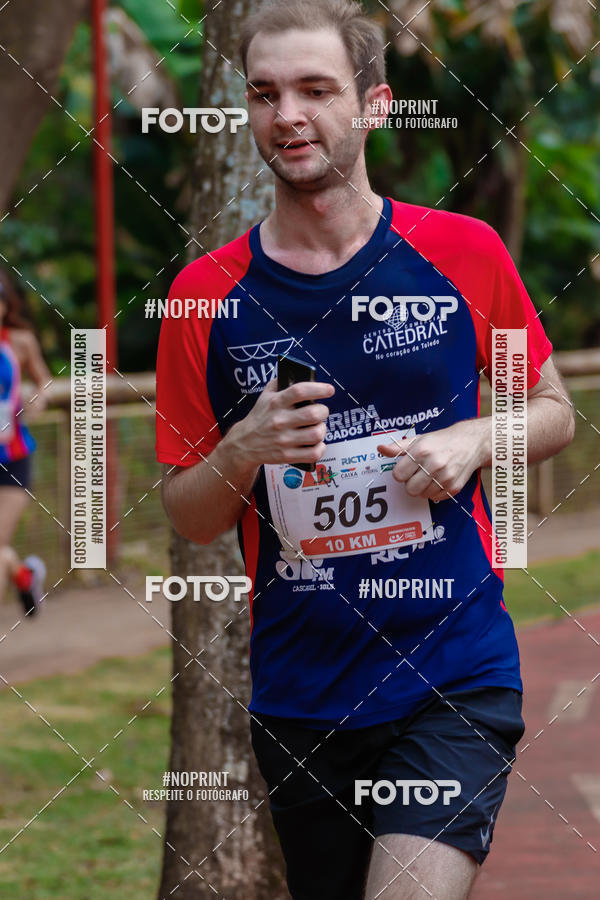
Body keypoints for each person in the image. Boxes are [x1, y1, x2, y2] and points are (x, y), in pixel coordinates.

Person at [155, 1, 575, 896]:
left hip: (452, 669)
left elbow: (552, 411)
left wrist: (474, 437)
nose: (288, 115)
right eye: (265, 94)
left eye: (316, 89)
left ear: (375, 104)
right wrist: (242, 452)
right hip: (302, 694)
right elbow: (188, 518)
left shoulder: (463, 254)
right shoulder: (204, 297)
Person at [0, 269, 50, 617]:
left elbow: (44, 381)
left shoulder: (19, 342)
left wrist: (38, 400)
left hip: (13, 459)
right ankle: (26, 576)